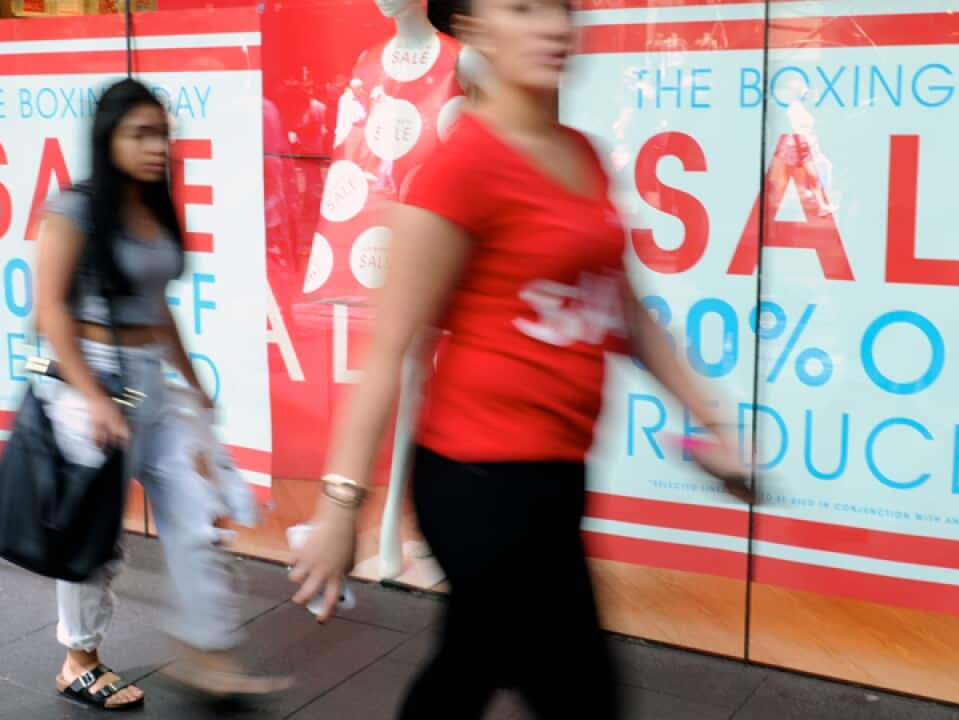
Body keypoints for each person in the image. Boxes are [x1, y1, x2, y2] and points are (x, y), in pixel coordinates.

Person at [288, 0, 755, 717]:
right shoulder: (460, 169)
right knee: (577, 690)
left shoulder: (584, 156)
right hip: (478, 481)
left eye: (561, 8)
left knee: (469, 666)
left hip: (554, 477)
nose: (553, 28)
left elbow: (625, 313)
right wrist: (339, 505)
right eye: (523, 8)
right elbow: (388, 350)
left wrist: (709, 419)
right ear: (472, 26)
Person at [33, 78, 286, 711]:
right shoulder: (76, 208)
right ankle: (79, 658)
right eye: (140, 133)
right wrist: (92, 396)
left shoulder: (153, 205)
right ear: (108, 136)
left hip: (148, 376)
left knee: (194, 509)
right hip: (90, 373)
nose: (157, 147)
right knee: (96, 530)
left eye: (162, 134)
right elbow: (48, 312)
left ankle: (206, 653)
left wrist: (192, 380)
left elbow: (158, 306)